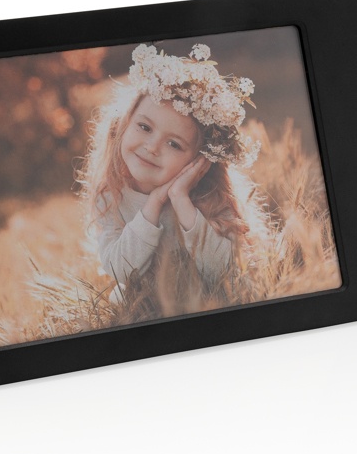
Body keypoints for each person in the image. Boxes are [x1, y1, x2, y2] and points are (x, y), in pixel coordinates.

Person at [79, 42, 263, 319]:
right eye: (144, 127)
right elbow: (120, 271)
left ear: (199, 162)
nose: (152, 147)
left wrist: (180, 199)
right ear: (124, 124)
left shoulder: (209, 199)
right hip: (141, 311)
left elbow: (228, 274)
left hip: (204, 309)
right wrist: (153, 204)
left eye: (174, 144)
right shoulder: (111, 194)